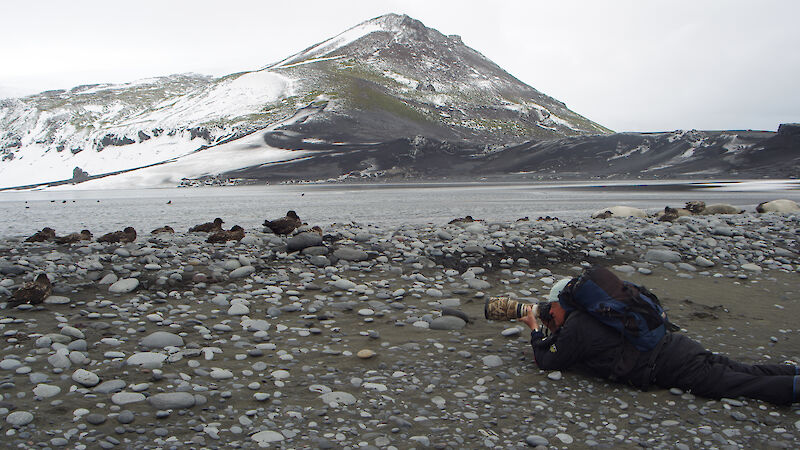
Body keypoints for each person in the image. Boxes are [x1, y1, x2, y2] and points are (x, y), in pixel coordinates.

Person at [518, 277, 799, 406]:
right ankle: (791, 372)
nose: (548, 312)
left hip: (672, 365)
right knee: (739, 370)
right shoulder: (596, 315)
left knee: (739, 384)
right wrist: (551, 329)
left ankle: (794, 386)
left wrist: (534, 329)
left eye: (550, 308)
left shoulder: (579, 326)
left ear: (564, 304)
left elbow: (548, 360)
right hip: (677, 347)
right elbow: (568, 346)